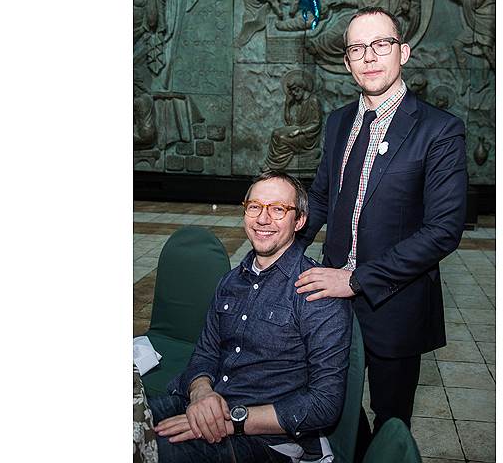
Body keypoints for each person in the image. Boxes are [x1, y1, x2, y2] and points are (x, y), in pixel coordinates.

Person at [295, 7, 467, 445]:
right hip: (330, 303)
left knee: (391, 423)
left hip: (395, 305)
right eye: (357, 48)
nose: (369, 56)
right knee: (330, 409)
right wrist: (288, 250)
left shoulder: (439, 130)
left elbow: (443, 231)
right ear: (347, 61)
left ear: (403, 52)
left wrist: (355, 279)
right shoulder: (338, 122)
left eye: (381, 44)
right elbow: (321, 197)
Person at [148, 171, 353, 463]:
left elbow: (324, 403)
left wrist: (231, 420)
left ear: (299, 221)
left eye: (278, 209)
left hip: (266, 439)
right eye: (255, 206)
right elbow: (205, 353)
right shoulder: (230, 281)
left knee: (148, 453)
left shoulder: (316, 292)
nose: (263, 219)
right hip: (206, 404)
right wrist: (201, 393)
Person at [263, 70, 323, 171]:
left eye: (296, 90)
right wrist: (287, 106)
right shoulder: (298, 102)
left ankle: (276, 165)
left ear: (302, 88)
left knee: (282, 138)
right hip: (298, 130)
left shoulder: (313, 100)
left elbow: (317, 123)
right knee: (275, 133)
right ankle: (271, 163)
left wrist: (299, 131)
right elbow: (289, 123)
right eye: (292, 91)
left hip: (308, 137)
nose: (294, 93)